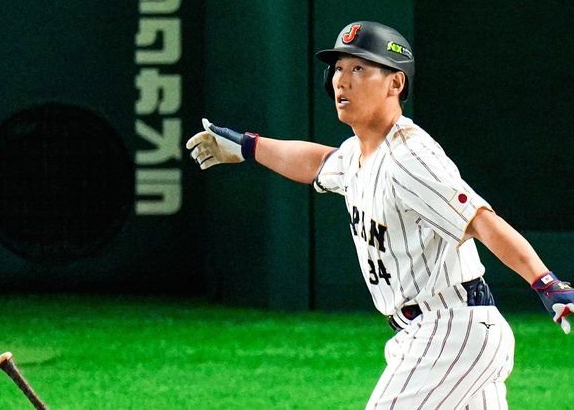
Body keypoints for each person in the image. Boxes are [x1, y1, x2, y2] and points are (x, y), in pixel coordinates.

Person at [186, 21, 574, 409]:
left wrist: (545, 282)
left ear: (395, 83)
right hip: (439, 332)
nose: (342, 80)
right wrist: (247, 146)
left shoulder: (410, 157)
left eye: (359, 68)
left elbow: (482, 221)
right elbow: (317, 163)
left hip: (451, 332)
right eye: (339, 68)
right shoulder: (359, 154)